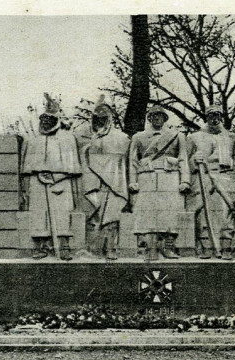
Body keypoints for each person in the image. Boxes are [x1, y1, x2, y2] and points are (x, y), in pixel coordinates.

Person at [19, 93, 81, 260]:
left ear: (56, 122)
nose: (45, 123)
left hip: (61, 181)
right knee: (39, 213)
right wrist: (35, 177)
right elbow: (26, 168)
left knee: (62, 213)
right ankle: (41, 245)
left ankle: (63, 245)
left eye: (49, 120)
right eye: (43, 120)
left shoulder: (67, 140)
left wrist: (55, 177)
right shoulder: (32, 141)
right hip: (37, 182)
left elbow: (73, 167)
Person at [128, 106, 191, 260]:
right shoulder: (138, 137)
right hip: (146, 176)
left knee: (170, 212)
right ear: (149, 118)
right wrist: (132, 181)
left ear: (165, 118)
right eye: (153, 116)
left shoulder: (176, 135)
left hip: (169, 175)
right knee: (146, 212)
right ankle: (148, 248)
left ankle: (168, 247)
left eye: (160, 115)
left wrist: (185, 180)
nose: (156, 118)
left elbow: (183, 158)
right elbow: (133, 161)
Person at [186, 105, 235, 260]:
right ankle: (206, 247)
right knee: (203, 214)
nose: (214, 118)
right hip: (203, 177)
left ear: (222, 117)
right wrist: (194, 160)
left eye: (217, 115)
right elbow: (185, 162)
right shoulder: (194, 137)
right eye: (211, 115)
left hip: (225, 177)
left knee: (226, 213)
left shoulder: (233, 137)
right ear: (206, 117)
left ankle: (226, 247)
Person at [80, 97, 130, 260]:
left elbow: (127, 163)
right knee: (93, 217)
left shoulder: (122, 138)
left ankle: (111, 248)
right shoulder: (84, 137)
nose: (99, 122)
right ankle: (92, 249)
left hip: (114, 183)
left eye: (103, 118)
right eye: (96, 118)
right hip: (93, 184)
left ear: (109, 119)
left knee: (112, 218)